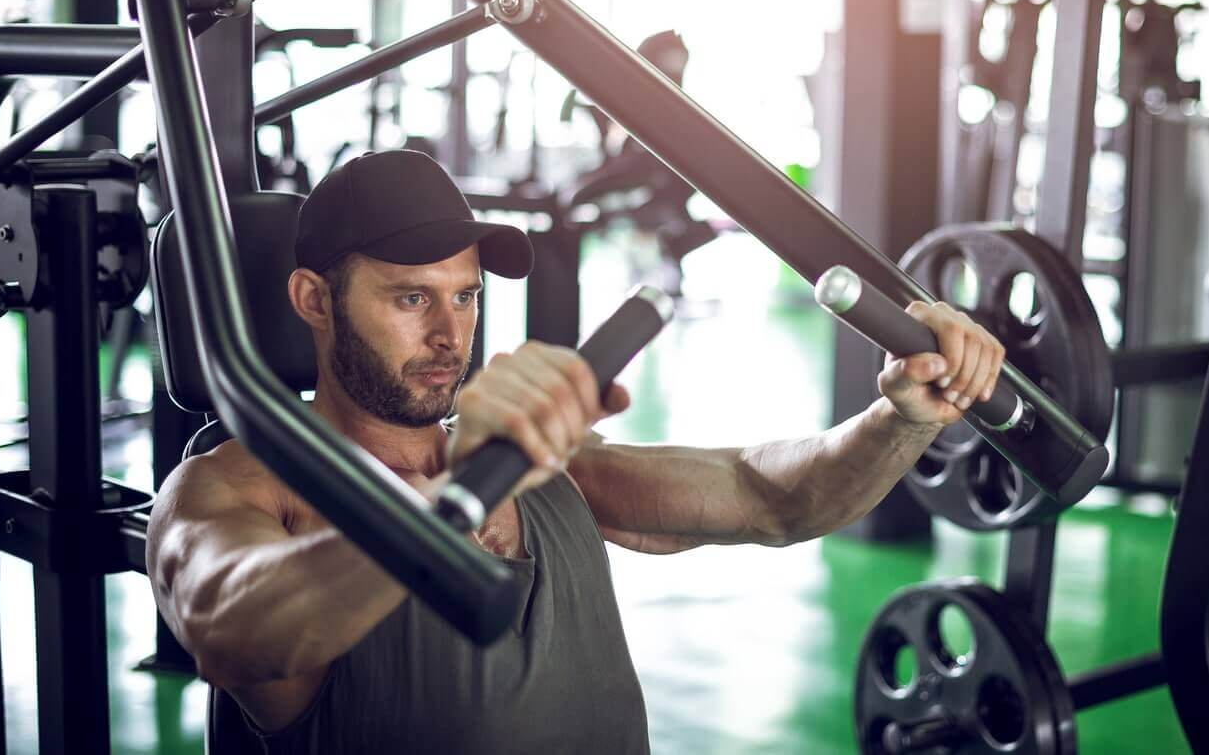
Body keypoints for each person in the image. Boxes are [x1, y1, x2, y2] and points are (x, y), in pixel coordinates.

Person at [146, 149, 1005, 754]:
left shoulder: (546, 463)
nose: (451, 335)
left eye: (466, 297)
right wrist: (460, 494)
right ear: (313, 300)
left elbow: (767, 495)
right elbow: (235, 632)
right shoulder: (236, 487)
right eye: (412, 298)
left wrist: (902, 415)